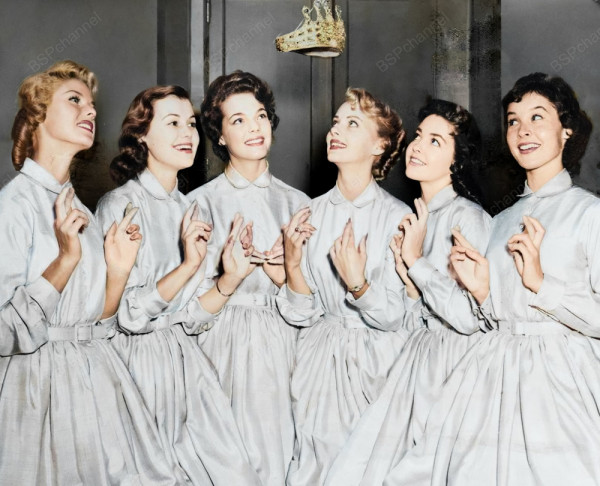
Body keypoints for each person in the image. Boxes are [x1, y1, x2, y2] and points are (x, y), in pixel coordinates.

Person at [387, 73, 600, 486]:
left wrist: (542, 284)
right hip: (492, 381)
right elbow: (486, 319)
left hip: (561, 389)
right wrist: (482, 292)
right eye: (514, 120)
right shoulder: (501, 221)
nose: (523, 130)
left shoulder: (589, 214)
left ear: (567, 131)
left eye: (538, 117)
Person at [0, 60, 177, 484]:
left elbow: (100, 325)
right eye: (75, 100)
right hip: (36, 394)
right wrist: (65, 260)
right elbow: (4, 334)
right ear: (39, 115)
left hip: (96, 387)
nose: (91, 110)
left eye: (92, 104)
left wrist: (118, 271)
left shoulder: (82, 211)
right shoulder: (13, 205)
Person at [95, 85, 263, 485]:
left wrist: (230, 279)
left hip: (187, 365)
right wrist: (188, 266)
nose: (188, 134)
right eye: (172, 123)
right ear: (141, 135)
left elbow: (193, 319)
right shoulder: (119, 205)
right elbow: (126, 316)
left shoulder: (191, 208)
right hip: (134, 367)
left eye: (190, 123)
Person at [325, 99, 491, 486]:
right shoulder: (415, 217)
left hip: (453, 368)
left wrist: (415, 262)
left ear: (457, 159)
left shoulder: (467, 218)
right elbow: (411, 315)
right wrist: (410, 286)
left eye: (435, 141)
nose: (417, 146)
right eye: (418, 136)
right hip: (417, 359)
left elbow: (470, 319)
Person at [278, 87, 411, 486]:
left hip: (378, 364)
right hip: (319, 363)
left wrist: (359, 285)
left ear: (379, 145)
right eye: (336, 122)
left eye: (352, 123)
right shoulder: (310, 212)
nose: (335, 130)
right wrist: (292, 263)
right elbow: (301, 313)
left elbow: (395, 317)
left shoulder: (397, 217)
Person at [187, 70, 309, 486]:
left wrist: (284, 277)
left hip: (286, 349)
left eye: (259, 115)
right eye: (237, 120)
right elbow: (187, 315)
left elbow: (312, 308)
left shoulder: (299, 204)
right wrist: (228, 279)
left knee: (281, 459)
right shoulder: (199, 204)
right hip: (217, 349)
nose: (254, 127)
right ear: (219, 135)